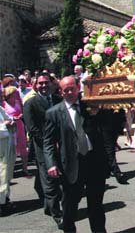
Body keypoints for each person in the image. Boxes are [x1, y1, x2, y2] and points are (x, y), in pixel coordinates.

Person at [44, 76, 109, 233]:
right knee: (69, 207)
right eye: (65, 90)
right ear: (61, 92)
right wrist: (51, 163)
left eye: (72, 88)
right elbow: (48, 142)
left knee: (96, 205)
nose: (69, 93)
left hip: (94, 161)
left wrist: (100, 111)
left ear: (78, 87)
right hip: (71, 165)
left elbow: (108, 126)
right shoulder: (53, 113)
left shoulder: (91, 106)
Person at [23, 73, 63, 226]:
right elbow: (32, 129)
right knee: (50, 182)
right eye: (40, 83)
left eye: (46, 83)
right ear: (35, 85)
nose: (44, 86)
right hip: (43, 148)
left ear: (51, 84)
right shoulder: (31, 104)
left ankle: (49, 205)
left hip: (62, 147)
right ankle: (57, 214)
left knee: (62, 180)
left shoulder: (59, 100)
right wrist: (50, 143)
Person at [2, 86, 29, 176]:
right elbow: (3, 118)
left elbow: (22, 111)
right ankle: (10, 170)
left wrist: (20, 115)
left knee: (23, 148)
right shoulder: (4, 104)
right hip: (10, 129)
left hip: (20, 127)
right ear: (9, 94)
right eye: (14, 93)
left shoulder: (18, 102)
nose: (16, 94)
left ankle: (25, 168)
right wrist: (12, 118)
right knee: (11, 150)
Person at [99, 109, 129, 184]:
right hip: (106, 124)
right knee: (109, 150)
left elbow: (121, 109)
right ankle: (116, 172)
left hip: (112, 125)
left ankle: (109, 171)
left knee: (109, 150)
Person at [0, 87, 16, 216]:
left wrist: (10, 121)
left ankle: (5, 199)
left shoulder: (0, 108)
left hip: (7, 146)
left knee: (6, 176)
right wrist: (5, 125)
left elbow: (8, 118)